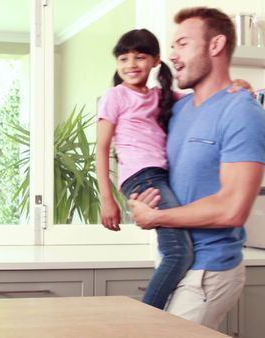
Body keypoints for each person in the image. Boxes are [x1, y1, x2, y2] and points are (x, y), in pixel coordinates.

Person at [128, 7, 265, 329]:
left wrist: (157, 217)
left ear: (215, 45)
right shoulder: (179, 107)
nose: (172, 55)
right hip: (175, 259)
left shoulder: (241, 111)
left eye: (183, 44)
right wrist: (139, 202)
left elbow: (232, 209)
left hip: (209, 270)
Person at [96, 29, 192, 310]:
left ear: (156, 61)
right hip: (142, 176)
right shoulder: (115, 96)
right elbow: (101, 148)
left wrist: (238, 86)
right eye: (123, 59)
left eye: (140, 57)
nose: (131, 65)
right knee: (178, 253)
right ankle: (147, 319)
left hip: (161, 176)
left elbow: (205, 99)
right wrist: (107, 198)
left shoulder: (161, 96)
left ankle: (160, 313)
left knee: (175, 250)